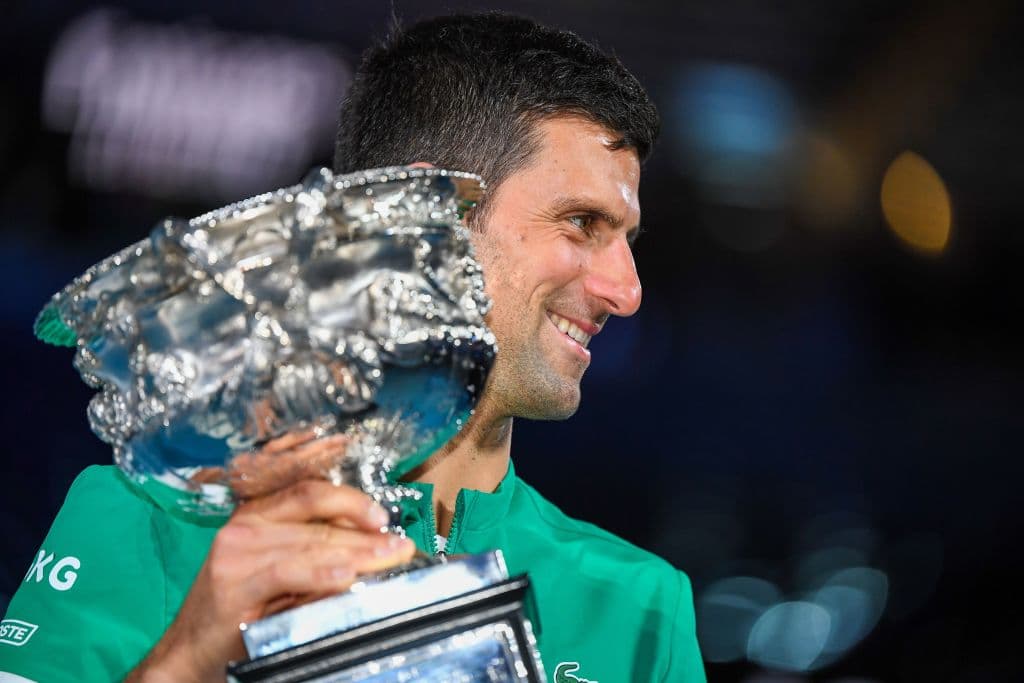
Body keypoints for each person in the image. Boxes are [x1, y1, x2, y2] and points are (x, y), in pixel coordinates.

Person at [0, 13, 705, 682]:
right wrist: (191, 655)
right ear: (427, 216)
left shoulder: (641, 604)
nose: (627, 290)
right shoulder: (144, 518)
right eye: (582, 223)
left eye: (627, 240)